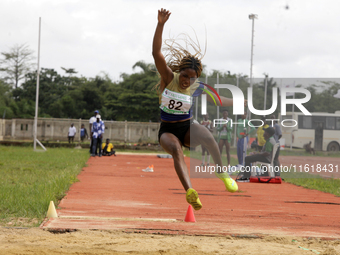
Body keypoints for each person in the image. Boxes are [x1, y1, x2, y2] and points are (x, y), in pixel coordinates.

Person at [153, 8, 239, 211]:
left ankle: (222, 173)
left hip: (187, 128)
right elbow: (156, 53)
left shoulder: (195, 86)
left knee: (208, 136)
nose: (186, 81)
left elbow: (218, 100)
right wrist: (160, 24)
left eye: (191, 78)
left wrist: (237, 101)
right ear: (179, 72)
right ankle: (190, 192)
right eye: (184, 76)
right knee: (176, 150)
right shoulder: (169, 78)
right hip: (168, 131)